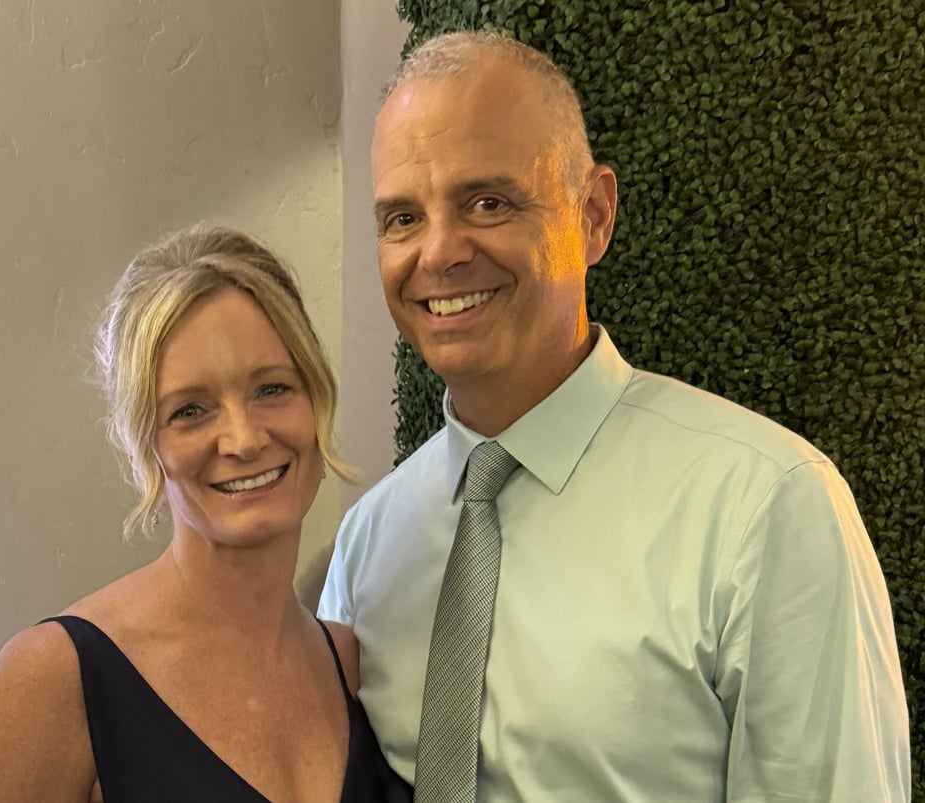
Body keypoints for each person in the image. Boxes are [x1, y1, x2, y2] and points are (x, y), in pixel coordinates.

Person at [318, 31, 910, 802]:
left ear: (594, 215)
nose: (438, 252)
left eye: (487, 201)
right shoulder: (369, 548)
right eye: (401, 218)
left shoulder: (765, 508)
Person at [0, 224, 413, 803]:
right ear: (146, 445)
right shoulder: (54, 680)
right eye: (190, 410)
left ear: (315, 396)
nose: (242, 439)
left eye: (272, 389)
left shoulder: (348, 664)